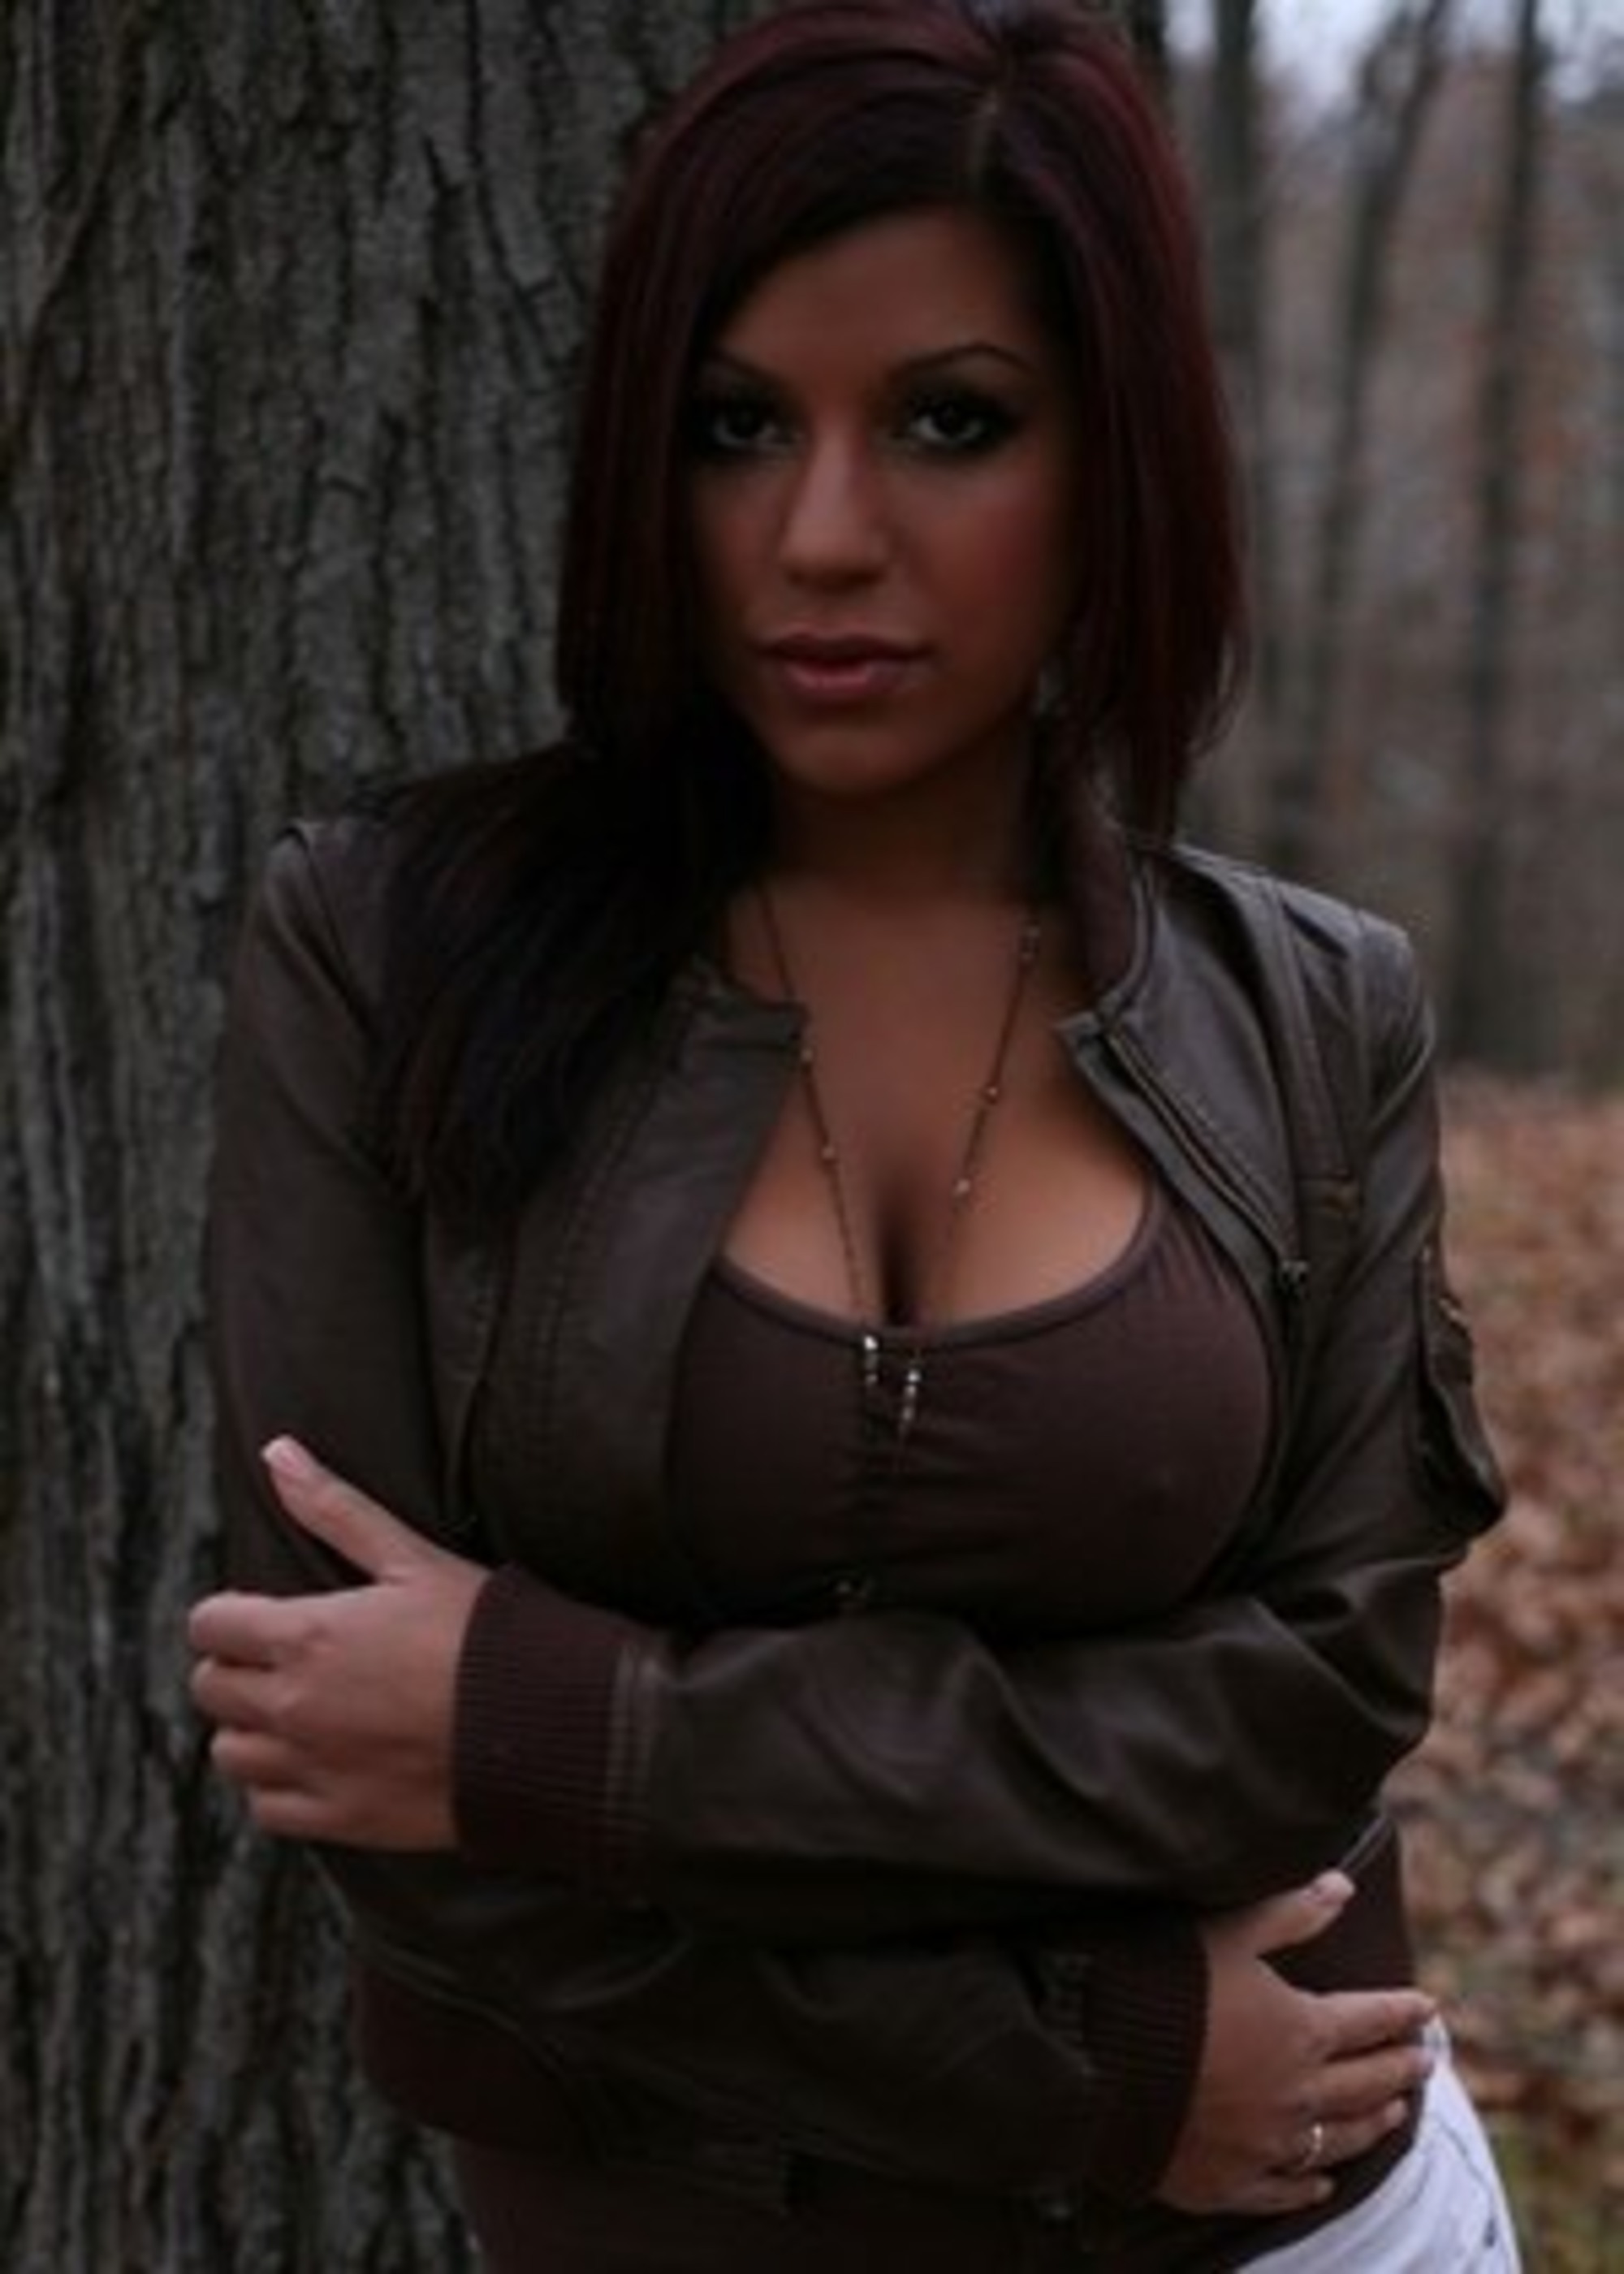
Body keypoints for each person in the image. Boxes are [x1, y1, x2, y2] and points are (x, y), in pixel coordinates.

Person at [187, 2, 1522, 2266]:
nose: (820, 537)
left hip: (1305, 2222)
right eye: (735, 427)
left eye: (950, 423)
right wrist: (1095, 2071)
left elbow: (1304, 1718)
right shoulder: (388, 954)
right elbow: (374, 1792)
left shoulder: (1316, 1017)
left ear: (1115, 459)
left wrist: (563, 1728)